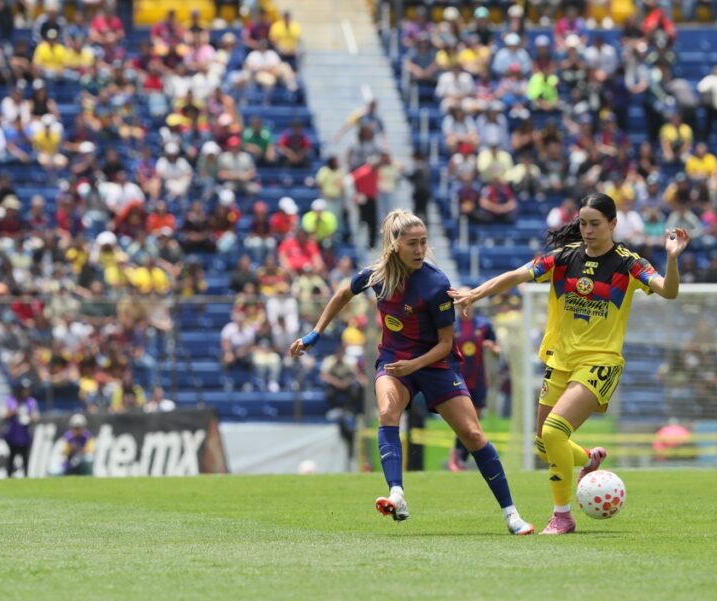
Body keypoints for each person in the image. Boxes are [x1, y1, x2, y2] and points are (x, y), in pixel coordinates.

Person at [450, 193, 688, 534]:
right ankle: (588, 459)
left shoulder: (628, 263)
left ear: (613, 224)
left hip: (600, 361)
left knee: (553, 432)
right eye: (583, 224)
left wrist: (672, 260)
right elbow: (515, 276)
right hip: (561, 361)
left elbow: (669, 291)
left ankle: (562, 516)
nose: (587, 230)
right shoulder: (563, 258)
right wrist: (474, 294)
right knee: (543, 444)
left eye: (595, 224)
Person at [289, 210, 534, 535]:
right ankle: (397, 494)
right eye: (412, 244)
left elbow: (446, 344)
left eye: (423, 243)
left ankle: (511, 515)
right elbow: (341, 294)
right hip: (394, 360)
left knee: (474, 436)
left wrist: (415, 366)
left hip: (435, 364)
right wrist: (315, 334)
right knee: (388, 412)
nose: (420, 250)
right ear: (395, 246)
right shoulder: (376, 277)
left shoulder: (435, 284)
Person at [447, 289, 499, 473]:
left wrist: (492, 347)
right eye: (460, 304)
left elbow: (497, 349)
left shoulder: (484, 325)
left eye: (466, 302)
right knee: (464, 421)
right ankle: (456, 458)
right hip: (457, 379)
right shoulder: (451, 326)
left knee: (473, 421)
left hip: (478, 379)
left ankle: (459, 459)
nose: (464, 306)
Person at [2, 378, 40, 478]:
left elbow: (36, 416)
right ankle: (9, 477)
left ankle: (26, 477)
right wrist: (14, 411)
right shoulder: (11, 399)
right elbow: (4, 415)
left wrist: (30, 416)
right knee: (11, 458)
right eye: (24, 389)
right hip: (13, 434)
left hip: (25, 435)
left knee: (25, 459)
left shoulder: (31, 401)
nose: (26, 392)